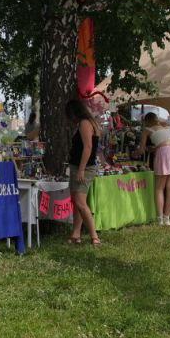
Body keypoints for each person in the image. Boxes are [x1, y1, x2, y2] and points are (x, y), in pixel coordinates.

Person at [65, 98, 101, 245]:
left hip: (83, 167)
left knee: (80, 202)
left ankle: (94, 236)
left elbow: (88, 147)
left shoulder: (85, 123)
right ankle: (76, 234)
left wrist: (81, 169)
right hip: (77, 166)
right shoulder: (89, 122)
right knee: (77, 201)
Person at [137, 112, 170, 225]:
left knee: (159, 188)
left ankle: (160, 219)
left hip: (164, 153)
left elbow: (141, 150)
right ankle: (167, 218)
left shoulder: (147, 130)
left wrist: (135, 153)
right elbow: (165, 143)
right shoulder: (167, 126)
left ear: (146, 121)